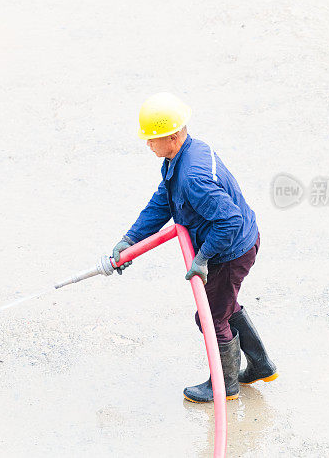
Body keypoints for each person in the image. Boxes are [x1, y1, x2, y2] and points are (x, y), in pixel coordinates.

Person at [112, 93, 278, 402]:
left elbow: (229, 220)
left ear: (172, 137)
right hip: (235, 242)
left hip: (231, 250)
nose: (147, 144)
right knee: (224, 307)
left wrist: (202, 257)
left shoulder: (192, 176)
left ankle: (225, 385)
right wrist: (131, 239)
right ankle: (261, 365)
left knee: (210, 318)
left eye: (152, 139)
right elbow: (163, 200)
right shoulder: (182, 156)